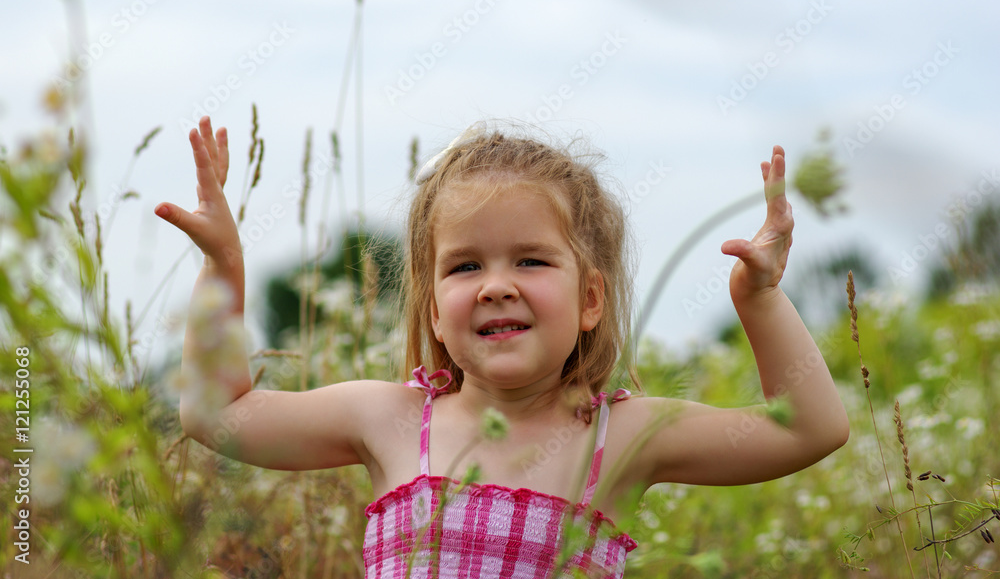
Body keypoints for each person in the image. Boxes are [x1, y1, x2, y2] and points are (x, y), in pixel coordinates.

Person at [155, 116, 849, 578]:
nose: (494, 286)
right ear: (432, 306)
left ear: (590, 300)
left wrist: (758, 302)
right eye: (465, 266)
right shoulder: (390, 419)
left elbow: (811, 428)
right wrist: (223, 269)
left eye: (530, 260)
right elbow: (217, 414)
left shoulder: (626, 434)